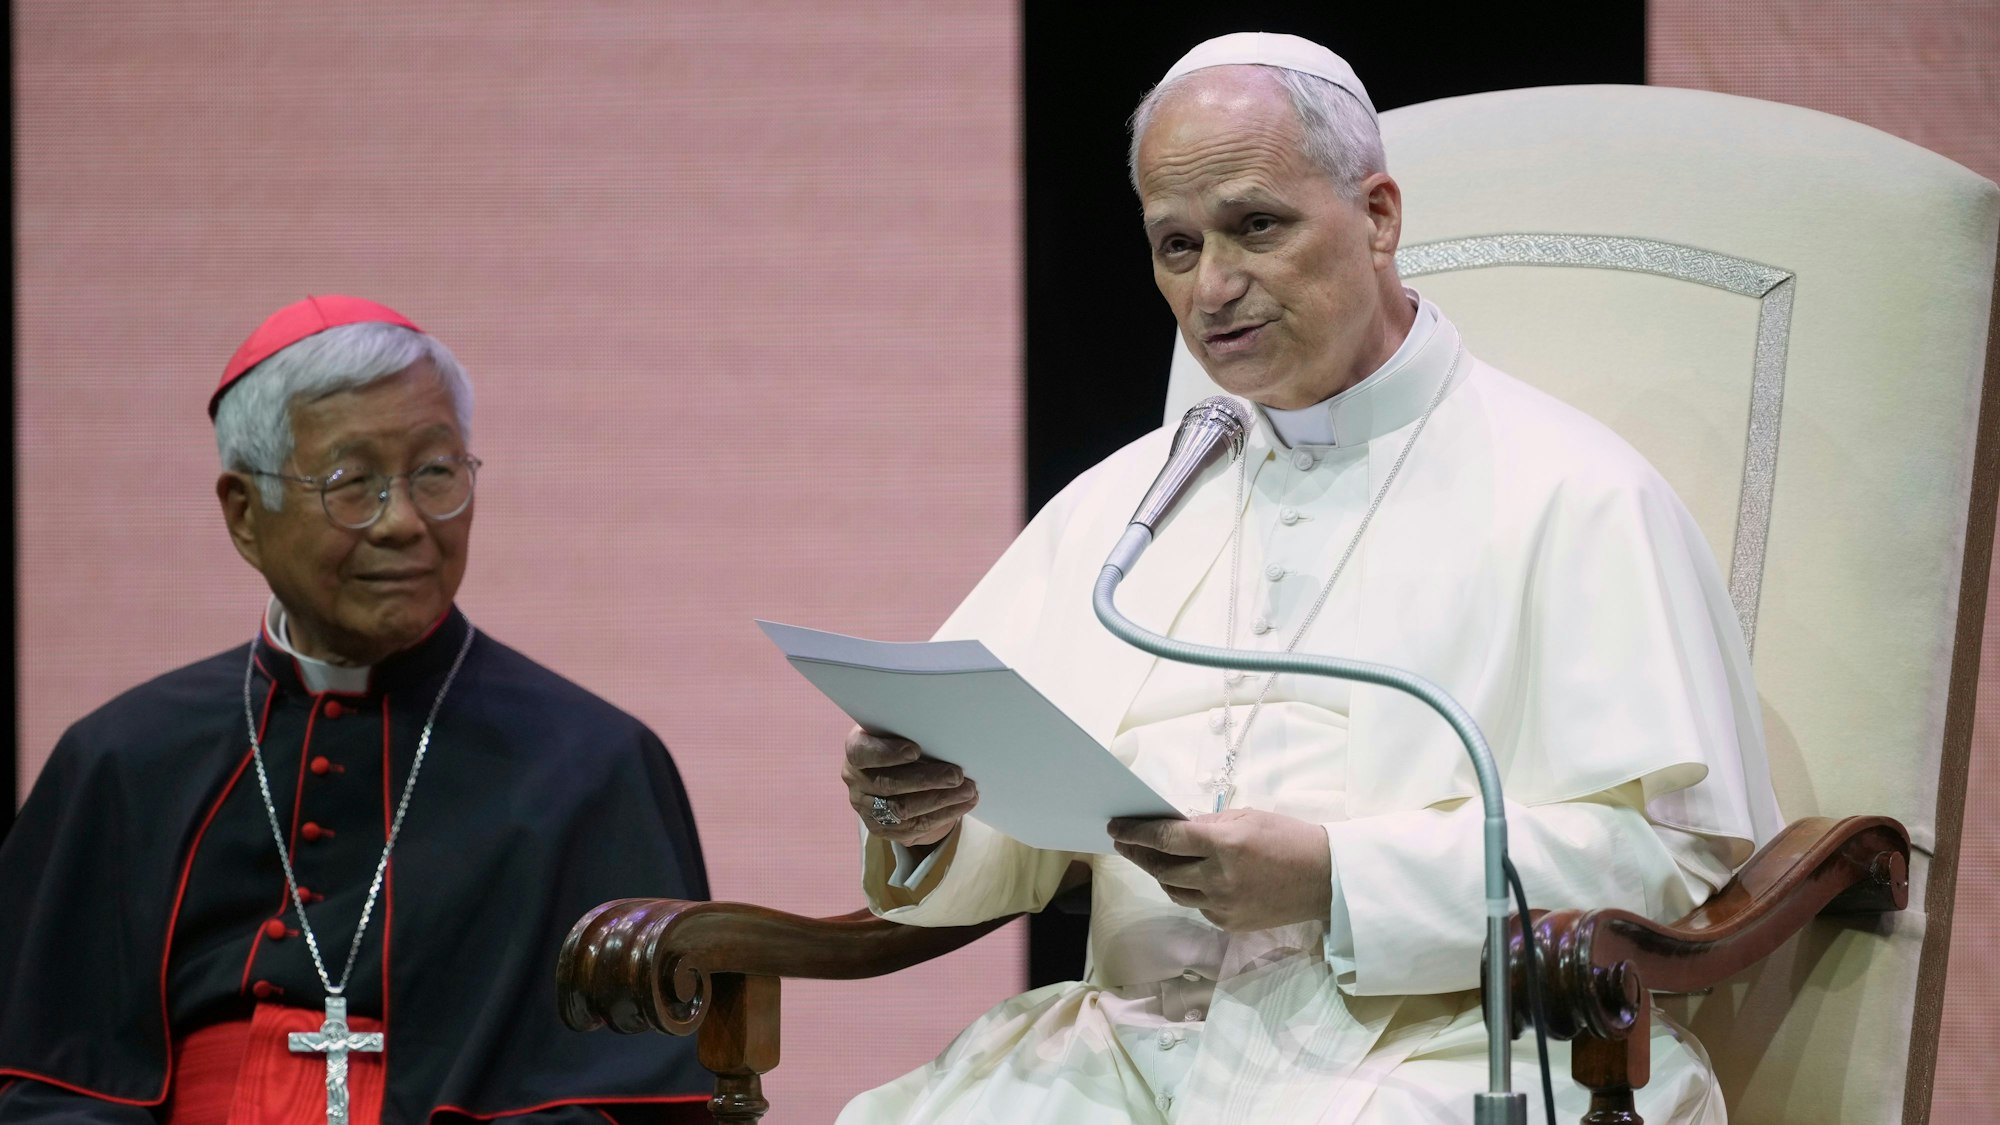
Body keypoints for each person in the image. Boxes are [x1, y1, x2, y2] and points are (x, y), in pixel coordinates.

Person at [836, 33, 1782, 1125]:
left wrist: (1336, 878)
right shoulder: (1127, 504)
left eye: (1256, 226)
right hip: (1126, 1051)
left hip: (1439, 1045)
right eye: (1176, 245)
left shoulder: (1574, 493)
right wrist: (928, 815)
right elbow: (1015, 824)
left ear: (1376, 217)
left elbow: (1667, 861)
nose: (1212, 287)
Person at [0, 296, 712, 1124]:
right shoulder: (122, 759)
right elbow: (45, 1088)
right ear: (244, 514)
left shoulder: (593, 767)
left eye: (436, 472)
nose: (403, 522)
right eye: (352, 483)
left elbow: (634, 1098)